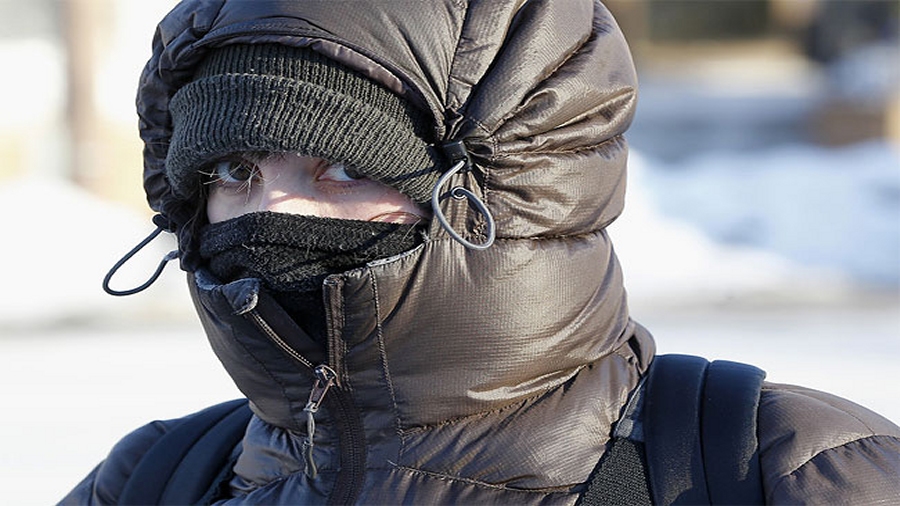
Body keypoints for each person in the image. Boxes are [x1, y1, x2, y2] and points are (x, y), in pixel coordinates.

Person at [62, 0, 900, 504]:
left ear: (506, 180)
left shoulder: (783, 471)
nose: (270, 208)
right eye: (234, 170)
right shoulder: (157, 482)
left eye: (343, 165)